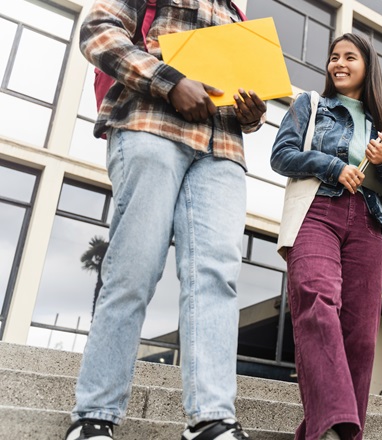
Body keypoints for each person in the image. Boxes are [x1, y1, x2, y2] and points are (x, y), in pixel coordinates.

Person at [67, 1, 266, 439]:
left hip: (223, 150)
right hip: (150, 126)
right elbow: (98, 31)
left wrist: (252, 115)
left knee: (216, 277)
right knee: (133, 269)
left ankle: (211, 418)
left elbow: (242, 88)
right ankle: (94, 415)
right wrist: (168, 80)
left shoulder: (236, 12)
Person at [270, 33, 382, 440]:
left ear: (368, 67)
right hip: (318, 210)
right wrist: (332, 167)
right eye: (334, 56)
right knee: (317, 300)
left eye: (350, 57)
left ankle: (329, 432)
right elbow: (280, 155)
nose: (339, 63)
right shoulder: (311, 105)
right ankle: (336, 428)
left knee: (361, 336)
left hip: (368, 224)